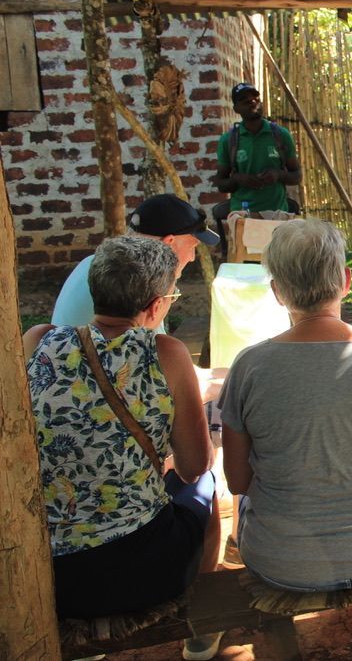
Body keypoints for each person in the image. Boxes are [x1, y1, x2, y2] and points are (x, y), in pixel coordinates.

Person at [218, 219, 352, 622]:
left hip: (283, 563)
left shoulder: (249, 366)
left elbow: (238, 483)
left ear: (278, 292)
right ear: (346, 281)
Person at [25, 236, 223, 661]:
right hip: (139, 571)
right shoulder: (164, 352)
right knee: (208, 481)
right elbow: (192, 465)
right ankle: (204, 627)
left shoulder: (38, 340)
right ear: (154, 306)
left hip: (44, 568)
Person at [50, 194, 219, 329]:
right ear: (169, 244)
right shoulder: (142, 282)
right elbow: (154, 355)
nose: (191, 257)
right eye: (192, 247)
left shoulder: (92, 262)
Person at [213, 82, 301, 215]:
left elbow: (297, 176)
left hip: (277, 214)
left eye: (255, 98)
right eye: (244, 100)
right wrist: (238, 179)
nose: (252, 102)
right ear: (236, 109)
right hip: (243, 215)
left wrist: (278, 175)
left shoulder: (280, 135)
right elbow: (221, 183)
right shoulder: (229, 140)